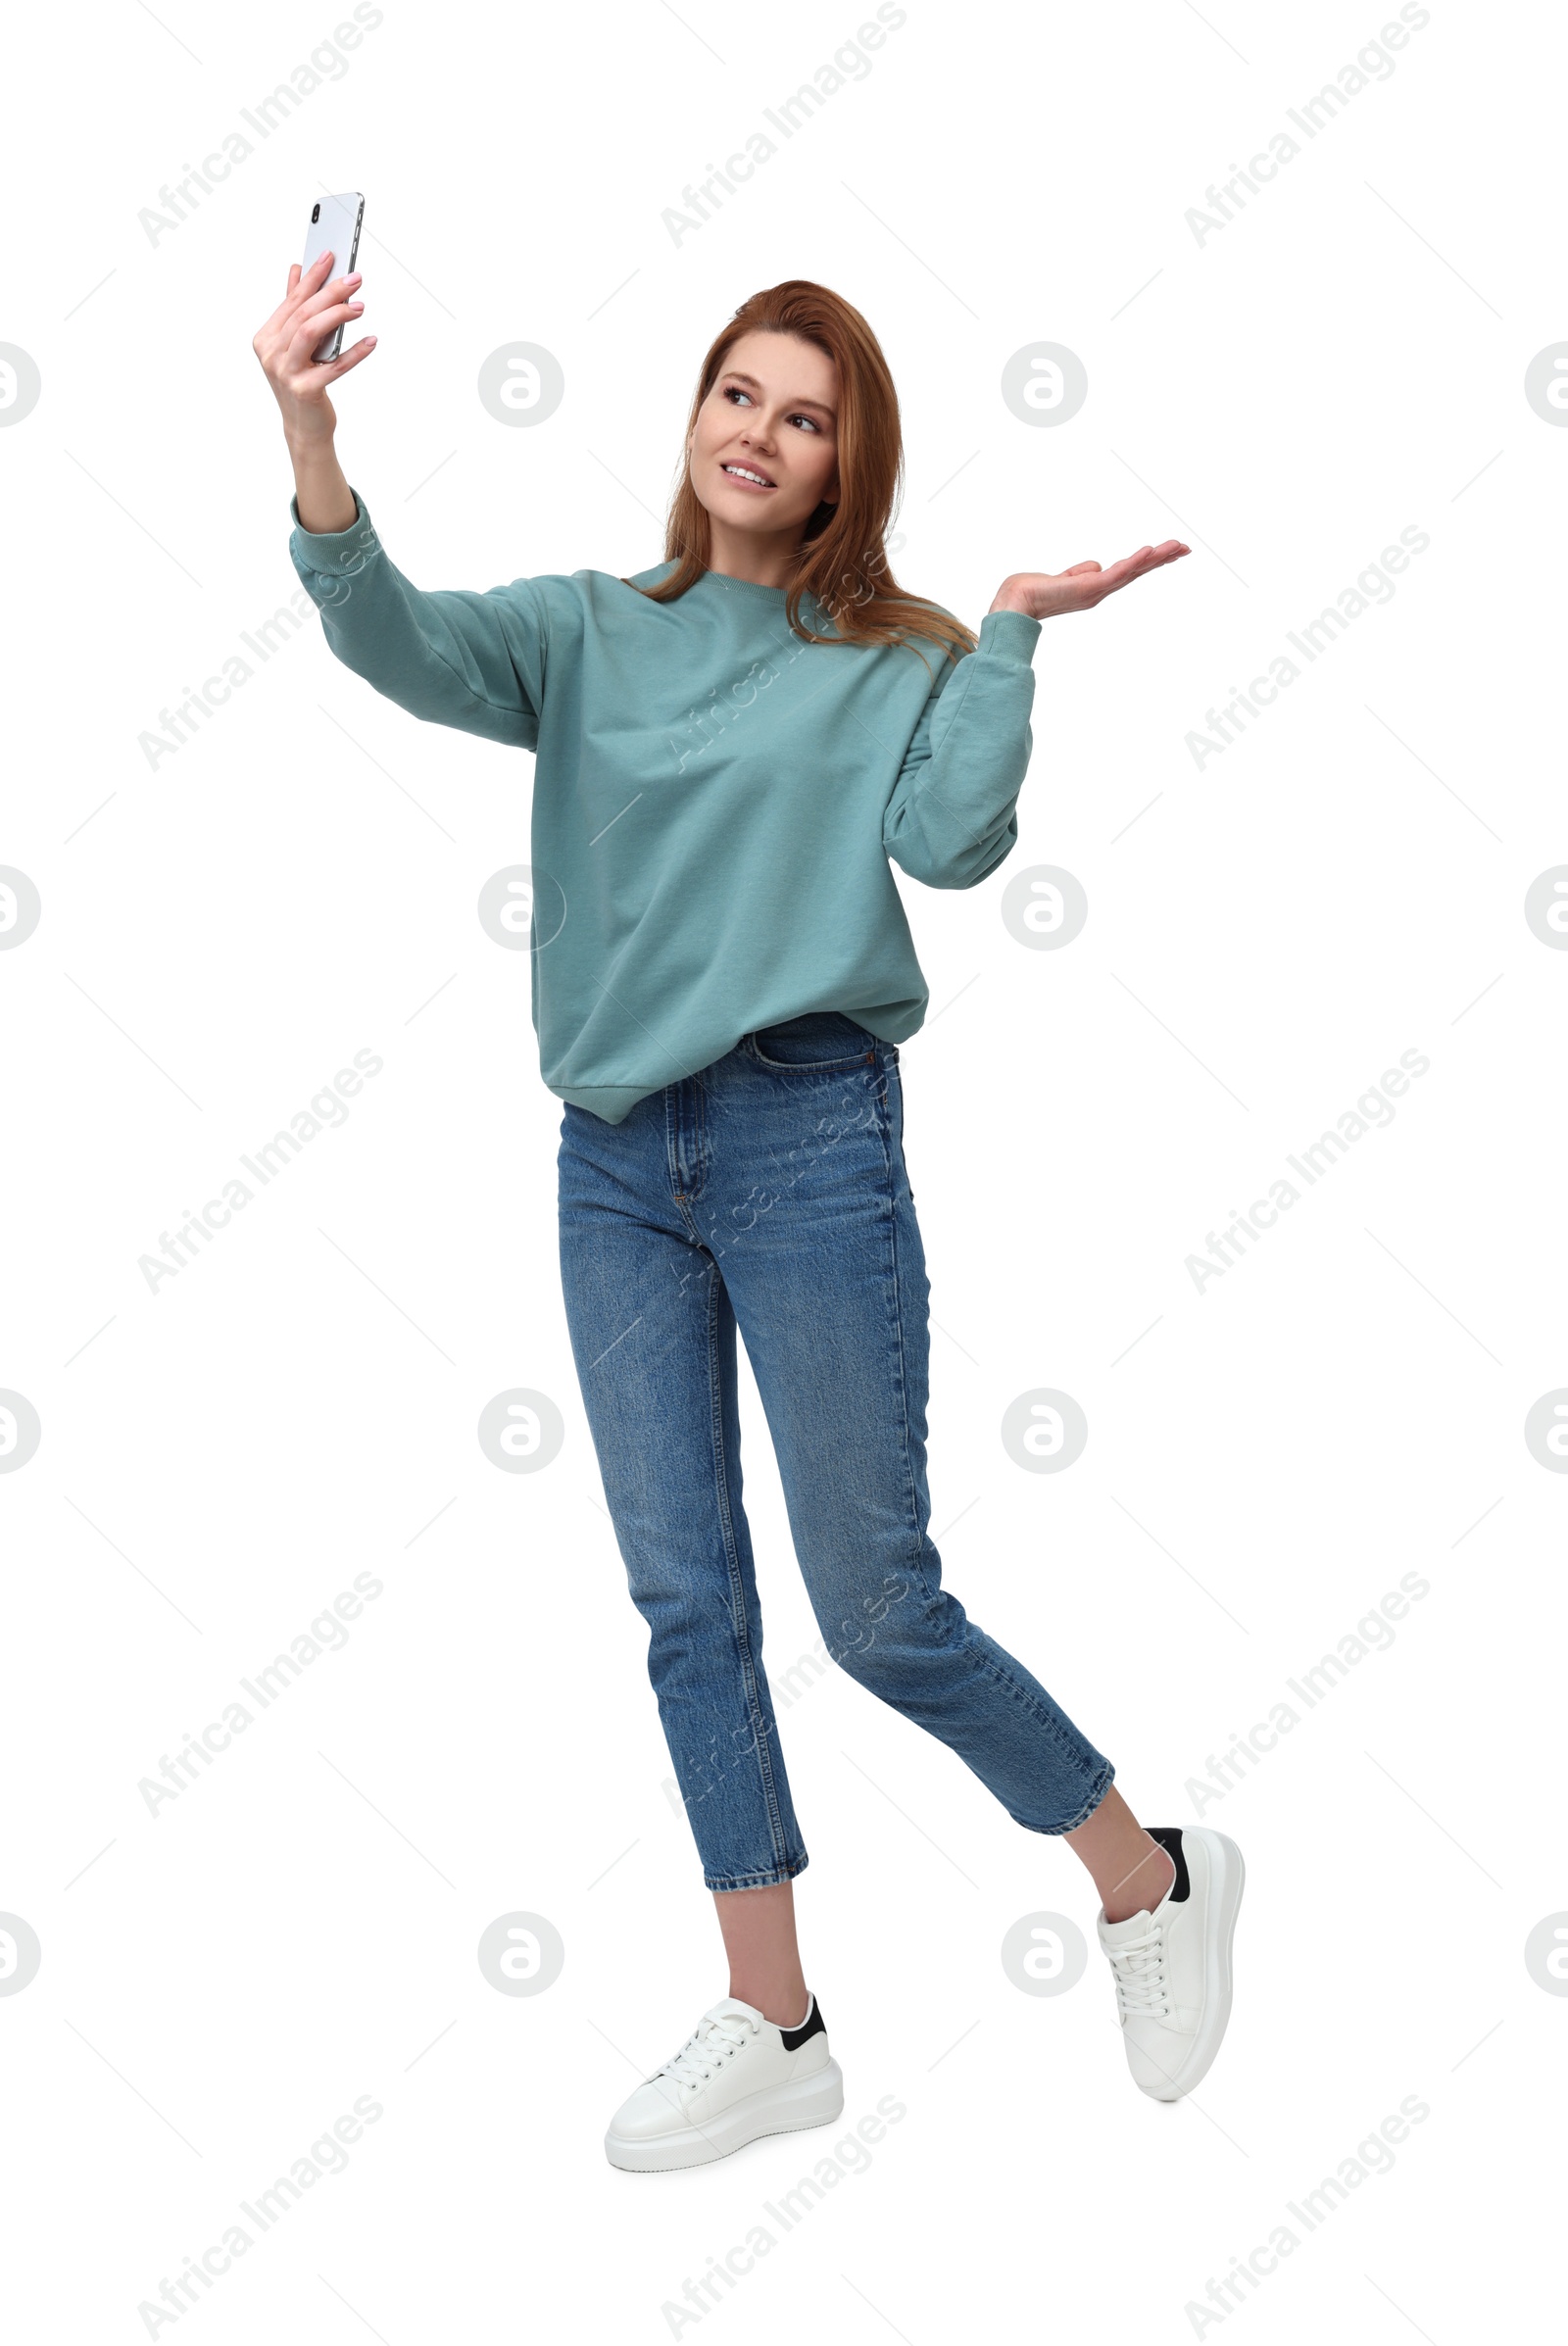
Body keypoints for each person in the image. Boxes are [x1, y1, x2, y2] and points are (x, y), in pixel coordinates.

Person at [254, 254, 1246, 2173]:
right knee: (684, 1606)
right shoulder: (584, 631)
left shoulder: (895, 657)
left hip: (806, 1145)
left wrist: (1018, 637)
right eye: (738, 393)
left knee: (877, 1613)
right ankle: (772, 2016)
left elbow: (949, 848)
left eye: (804, 415)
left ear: (844, 461)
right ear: (695, 413)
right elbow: (381, 632)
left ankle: (1147, 1880)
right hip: (614, 1160)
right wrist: (307, 425)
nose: (757, 433)